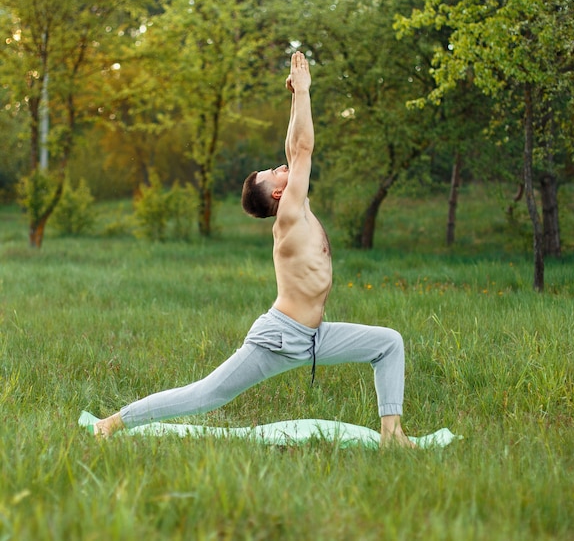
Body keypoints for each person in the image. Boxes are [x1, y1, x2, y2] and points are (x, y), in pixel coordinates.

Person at [91, 51, 415, 447]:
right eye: (275, 171)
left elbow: (294, 146)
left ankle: (392, 436)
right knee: (207, 395)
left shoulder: (298, 206)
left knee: (388, 342)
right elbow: (305, 149)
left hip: (314, 336)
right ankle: (113, 422)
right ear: (279, 193)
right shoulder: (291, 216)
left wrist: (296, 95)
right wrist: (305, 91)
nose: (282, 166)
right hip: (280, 337)